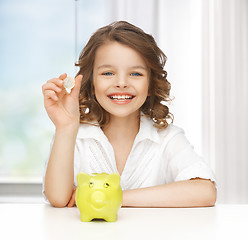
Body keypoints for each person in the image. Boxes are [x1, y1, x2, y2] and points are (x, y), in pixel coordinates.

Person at [42, 21, 216, 208]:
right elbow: (59, 199)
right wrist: (65, 127)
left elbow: (205, 191)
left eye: (135, 74)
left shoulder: (167, 138)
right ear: (91, 83)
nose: (122, 83)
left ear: (151, 85)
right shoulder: (74, 135)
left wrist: (115, 196)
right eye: (108, 73)